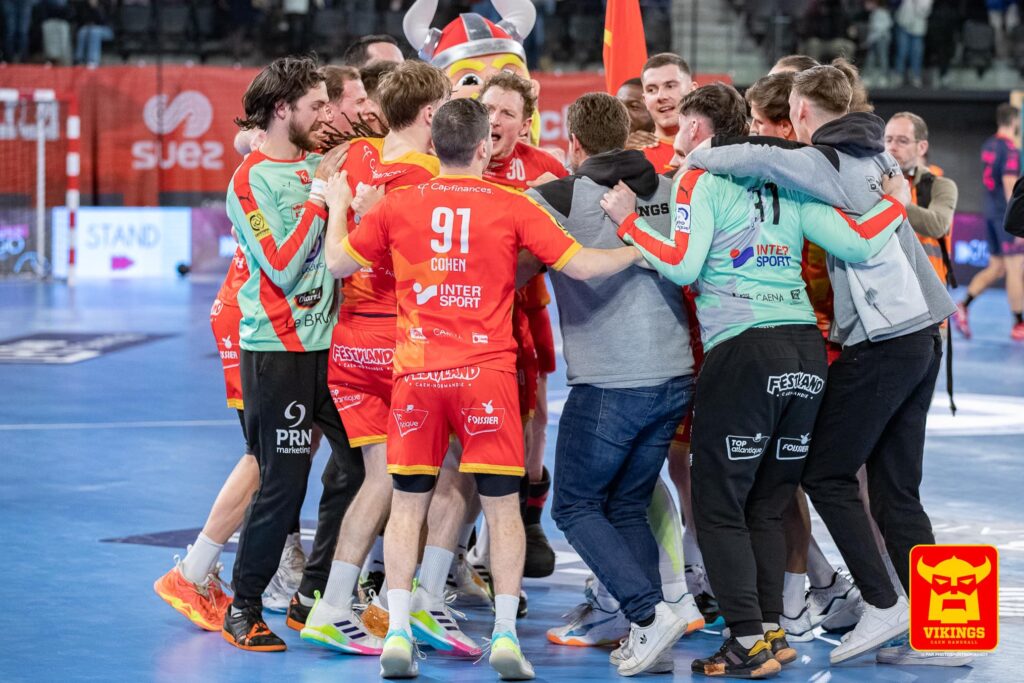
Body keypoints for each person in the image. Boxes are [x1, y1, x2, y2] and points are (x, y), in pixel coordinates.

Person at [325, 97, 644, 680]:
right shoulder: (512, 203)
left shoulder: (397, 204)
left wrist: (342, 206)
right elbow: (582, 267)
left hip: (418, 375)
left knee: (407, 504)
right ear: (481, 148)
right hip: (486, 376)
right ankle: (503, 636)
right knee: (501, 509)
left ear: (435, 145)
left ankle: (398, 631)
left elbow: (337, 265)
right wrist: (642, 245)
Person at [604, 82, 910, 679]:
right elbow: (858, 243)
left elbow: (683, 266)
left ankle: (745, 640)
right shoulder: (785, 177)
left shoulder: (699, 176)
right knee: (768, 503)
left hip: (743, 352)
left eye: (684, 125)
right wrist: (896, 201)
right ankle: (770, 631)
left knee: (719, 505)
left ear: (696, 129)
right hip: (804, 351)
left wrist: (628, 223)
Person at [685, 63, 962, 667]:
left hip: (883, 339)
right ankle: (943, 632)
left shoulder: (822, 160)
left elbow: (739, 157)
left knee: (826, 473)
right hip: (925, 331)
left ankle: (883, 603)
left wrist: (691, 153)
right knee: (896, 491)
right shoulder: (878, 153)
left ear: (801, 113)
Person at [523, 91, 705, 673]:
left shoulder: (557, 197)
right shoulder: (669, 188)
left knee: (575, 506)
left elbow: (513, 265)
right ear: (627, 136)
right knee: (626, 505)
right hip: (675, 373)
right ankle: (652, 626)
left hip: (611, 380)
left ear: (573, 143)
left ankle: (650, 614)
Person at [297, 59, 451, 657]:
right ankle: (408, 604)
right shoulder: (432, 177)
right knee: (430, 481)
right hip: (402, 343)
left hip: (347, 342)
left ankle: (334, 604)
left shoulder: (356, 156)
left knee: (379, 477)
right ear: (431, 114)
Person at [219, 56, 365, 652]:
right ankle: (243, 607)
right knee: (283, 481)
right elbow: (280, 267)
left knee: (361, 466)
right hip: (278, 351)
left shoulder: (316, 164)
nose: (326, 116)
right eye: (315, 106)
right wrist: (321, 202)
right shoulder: (250, 181)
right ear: (282, 110)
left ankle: (314, 593)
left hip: (331, 346)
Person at [477, 71, 567, 583]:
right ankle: (471, 547)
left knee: (532, 417)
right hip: (464, 315)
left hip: (524, 309)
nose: (494, 120)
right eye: (488, 109)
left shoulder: (545, 168)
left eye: (507, 113)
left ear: (526, 123)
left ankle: (526, 521)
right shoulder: (454, 158)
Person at [954, 103, 1023, 340]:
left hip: (990, 212)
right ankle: (1019, 323)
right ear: (1015, 121)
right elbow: (1010, 186)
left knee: (997, 267)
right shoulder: (1010, 149)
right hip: (1006, 217)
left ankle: (963, 305)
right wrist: (1018, 221)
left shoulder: (989, 145)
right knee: (1015, 268)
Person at [884, 112, 959, 289]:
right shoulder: (873, 183)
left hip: (928, 290)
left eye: (902, 141)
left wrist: (893, 201)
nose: (892, 147)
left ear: (922, 147)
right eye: (888, 140)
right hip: (886, 286)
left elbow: (938, 225)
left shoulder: (941, 186)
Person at [628, 53, 695, 172]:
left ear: (692, 90)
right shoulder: (632, 159)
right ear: (645, 100)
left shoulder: (717, 150)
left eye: (670, 86)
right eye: (651, 90)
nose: (661, 96)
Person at [893, 0, 932, 87]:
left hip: (918, 28)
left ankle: (915, 76)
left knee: (917, 54)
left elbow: (925, 12)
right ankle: (898, 75)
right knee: (902, 51)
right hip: (903, 24)